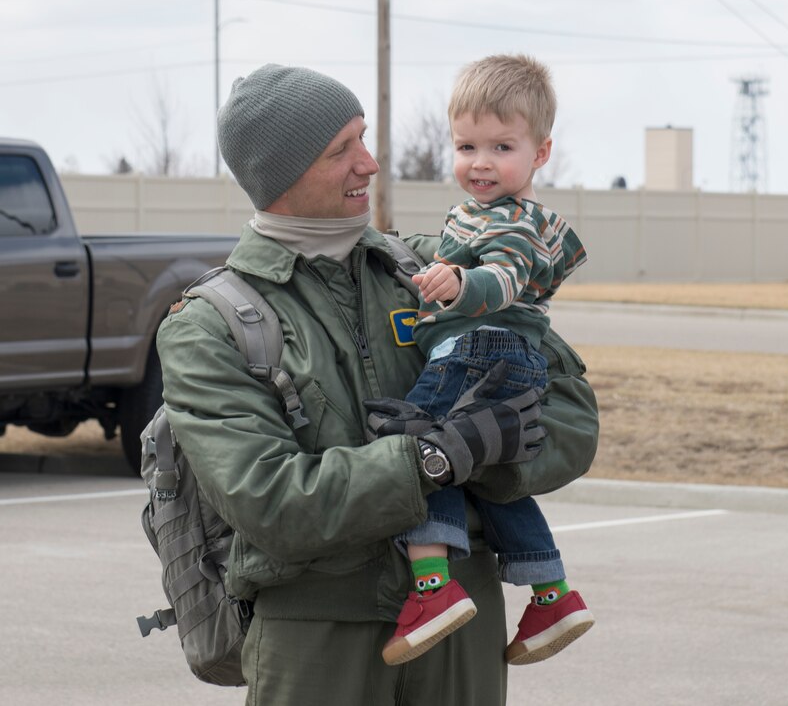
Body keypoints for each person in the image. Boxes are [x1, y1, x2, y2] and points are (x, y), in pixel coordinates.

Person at [155, 63, 599, 706]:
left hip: (461, 631)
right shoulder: (210, 325)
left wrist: (501, 453)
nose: (370, 163)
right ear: (283, 173)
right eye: (343, 150)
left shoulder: (436, 267)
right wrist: (435, 459)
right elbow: (271, 501)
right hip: (318, 639)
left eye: (364, 138)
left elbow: (573, 416)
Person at [372, 54, 593, 670]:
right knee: (482, 476)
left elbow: (502, 276)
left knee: (415, 448)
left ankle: (433, 590)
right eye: (466, 146)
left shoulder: (514, 222)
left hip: (478, 347)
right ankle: (553, 595)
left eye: (502, 146)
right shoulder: (495, 213)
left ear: (540, 153)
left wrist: (459, 284)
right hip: (507, 359)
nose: (481, 162)